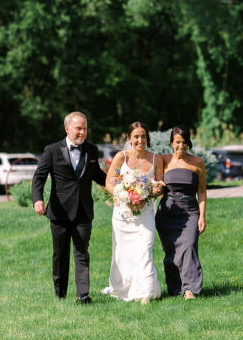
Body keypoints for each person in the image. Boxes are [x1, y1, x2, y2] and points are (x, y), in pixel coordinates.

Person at [31, 111, 108, 304]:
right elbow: (39, 177)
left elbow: (97, 175)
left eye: (85, 128)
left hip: (83, 211)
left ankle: (82, 295)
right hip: (59, 212)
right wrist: (37, 200)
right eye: (78, 128)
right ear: (67, 128)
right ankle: (60, 294)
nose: (82, 132)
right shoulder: (52, 150)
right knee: (60, 255)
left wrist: (120, 187)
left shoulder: (91, 150)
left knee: (82, 253)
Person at [102, 121, 164, 304]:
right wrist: (124, 196)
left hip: (145, 213)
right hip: (123, 215)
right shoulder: (121, 158)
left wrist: (148, 195)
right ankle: (122, 289)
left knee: (145, 249)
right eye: (136, 136)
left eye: (143, 136)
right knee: (123, 253)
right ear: (129, 138)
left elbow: (159, 186)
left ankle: (146, 292)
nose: (140, 140)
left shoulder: (155, 159)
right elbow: (110, 182)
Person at [156, 126, 207, 300]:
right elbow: (155, 184)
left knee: (189, 246)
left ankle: (190, 288)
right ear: (171, 143)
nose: (181, 145)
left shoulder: (198, 162)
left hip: (190, 212)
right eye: (177, 142)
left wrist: (202, 216)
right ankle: (175, 287)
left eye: (184, 142)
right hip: (167, 212)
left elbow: (201, 191)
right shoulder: (163, 160)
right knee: (172, 252)